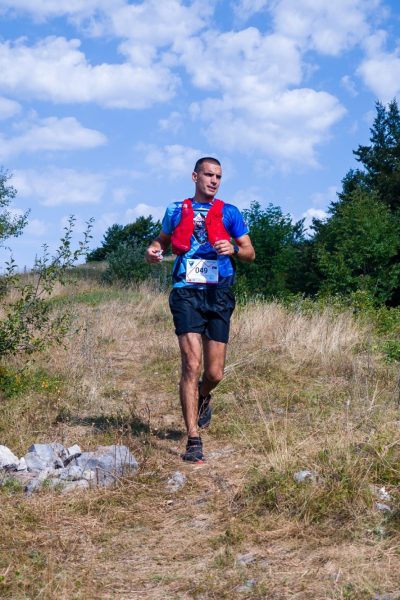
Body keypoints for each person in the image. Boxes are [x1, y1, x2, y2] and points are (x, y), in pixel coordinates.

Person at [145, 157, 255, 463]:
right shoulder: (176, 210)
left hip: (218, 293)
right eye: (208, 174)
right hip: (186, 291)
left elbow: (250, 252)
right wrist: (153, 250)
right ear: (195, 176)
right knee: (191, 365)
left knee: (214, 373)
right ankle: (193, 438)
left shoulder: (230, 212)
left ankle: (203, 395)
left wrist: (234, 249)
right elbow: (162, 240)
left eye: (218, 176)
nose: (214, 180)